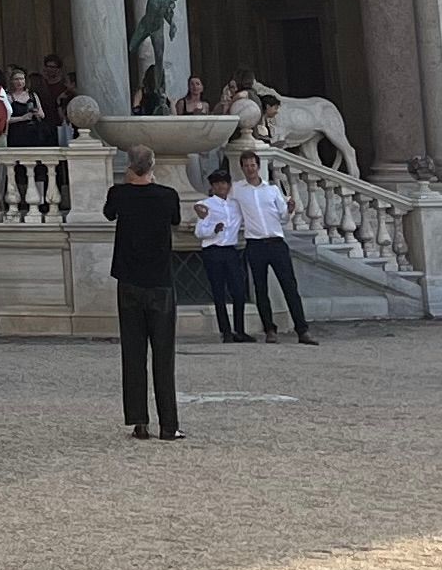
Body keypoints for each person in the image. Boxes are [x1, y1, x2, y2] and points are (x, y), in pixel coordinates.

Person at [105, 148, 184, 443]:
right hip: (160, 281)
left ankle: (139, 421)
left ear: (129, 167)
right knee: (164, 355)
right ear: (152, 166)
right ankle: (169, 424)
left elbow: (108, 213)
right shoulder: (167, 195)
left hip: (129, 280)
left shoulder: (119, 194)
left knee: (133, 353)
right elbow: (175, 220)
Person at [235, 148, 318, 345]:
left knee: (289, 286)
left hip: (276, 242)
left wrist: (289, 210)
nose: (250, 169)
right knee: (261, 289)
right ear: (242, 168)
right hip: (255, 244)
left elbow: (282, 216)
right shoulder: (237, 190)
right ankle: (270, 329)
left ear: (258, 166)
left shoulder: (271, 190)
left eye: (253, 165)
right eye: (246, 166)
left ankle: (302, 329)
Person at [195, 168, 250, 344]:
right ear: (213, 186)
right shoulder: (207, 204)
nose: (221, 186)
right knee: (218, 292)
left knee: (239, 291)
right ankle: (225, 331)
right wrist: (213, 229)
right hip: (213, 250)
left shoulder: (235, 204)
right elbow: (199, 232)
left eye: (224, 183)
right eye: (218, 183)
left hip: (230, 250)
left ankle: (239, 330)